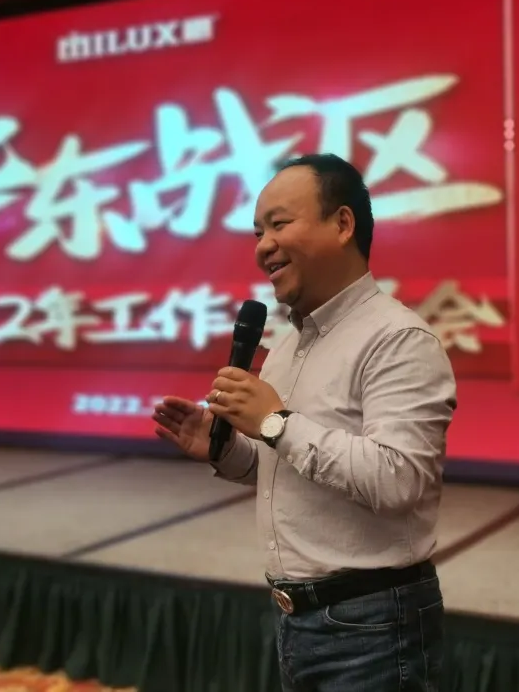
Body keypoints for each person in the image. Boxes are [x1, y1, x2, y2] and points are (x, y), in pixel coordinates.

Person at [152, 153, 457, 691]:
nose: (263, 246)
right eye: (257, 232)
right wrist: (226, 451)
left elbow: (398, 480)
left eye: (279, 224)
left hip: (375, 626)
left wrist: (274, 422)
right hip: (297, 621)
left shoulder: (399, 340)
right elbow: (293, 468)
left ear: (342, 224)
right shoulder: (286, 346)